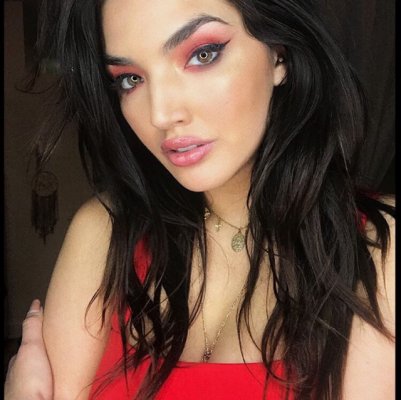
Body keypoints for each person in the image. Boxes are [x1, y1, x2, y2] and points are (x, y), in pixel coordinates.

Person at [5, 0, 395, 399]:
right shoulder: (104, 231)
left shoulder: (382, 250)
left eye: (202, 54)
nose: (161, 114)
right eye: (130, 79)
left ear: (280, 54)